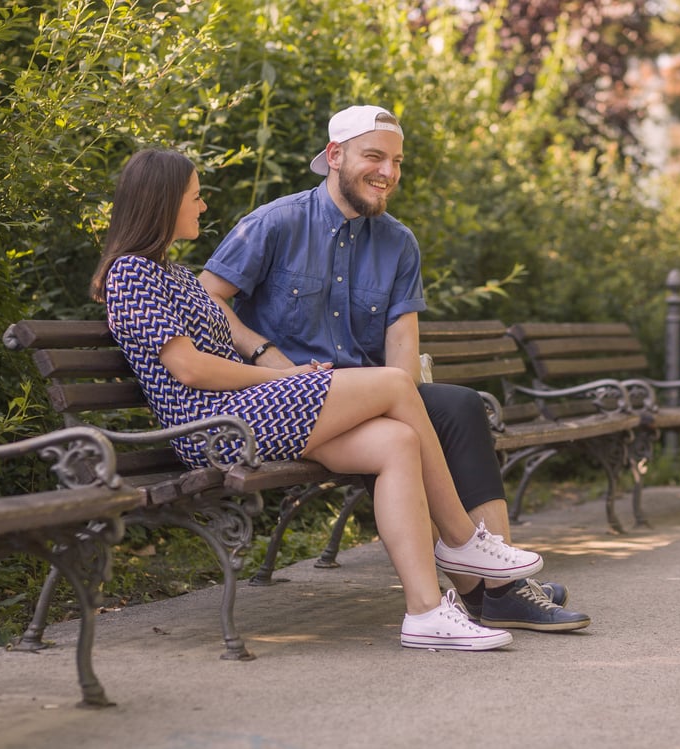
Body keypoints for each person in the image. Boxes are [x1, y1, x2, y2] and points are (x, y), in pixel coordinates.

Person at [91, 147, 549, 651]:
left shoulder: (176, 275)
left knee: (398, 441)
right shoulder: (130, 273)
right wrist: (277, 381)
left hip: (247, 411)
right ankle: (462, 542)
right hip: (213, 426)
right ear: (161, 203)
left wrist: (284, 377)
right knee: (396, 384)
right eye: (195, 198)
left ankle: (424, 612)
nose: (202, 208)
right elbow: (188, 368)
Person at [200, 105, 590, 632]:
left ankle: (493, 576)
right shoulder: (277, 222)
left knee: (459, 406)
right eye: (374, 156)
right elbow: (208, 296)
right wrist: (262, 352)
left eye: (397, 161)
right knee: (415, 419)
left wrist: (406, 402)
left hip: (372, 397)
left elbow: (402, 346)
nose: (388, 172)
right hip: (294, 405)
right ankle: (494, 587)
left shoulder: (398, 242)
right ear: (335, 157)